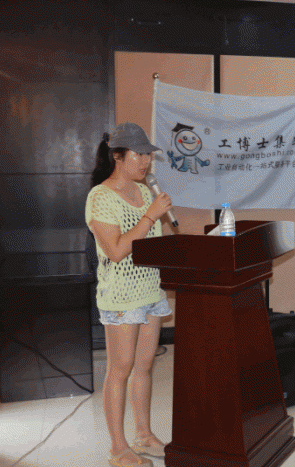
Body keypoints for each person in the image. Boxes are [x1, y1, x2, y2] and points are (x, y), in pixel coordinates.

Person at [85, 122, 173, 467]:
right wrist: (151, 216)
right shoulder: (100, 197)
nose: (146, 161)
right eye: (139, 154)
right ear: (118, 157)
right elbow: (118, 250)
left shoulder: (145, 192)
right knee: (119, 369)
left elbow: (150, 244)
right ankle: (118, 448)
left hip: (150, 289)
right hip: (121, 295)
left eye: (149, 155)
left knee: (144, 366)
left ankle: (143, 435)